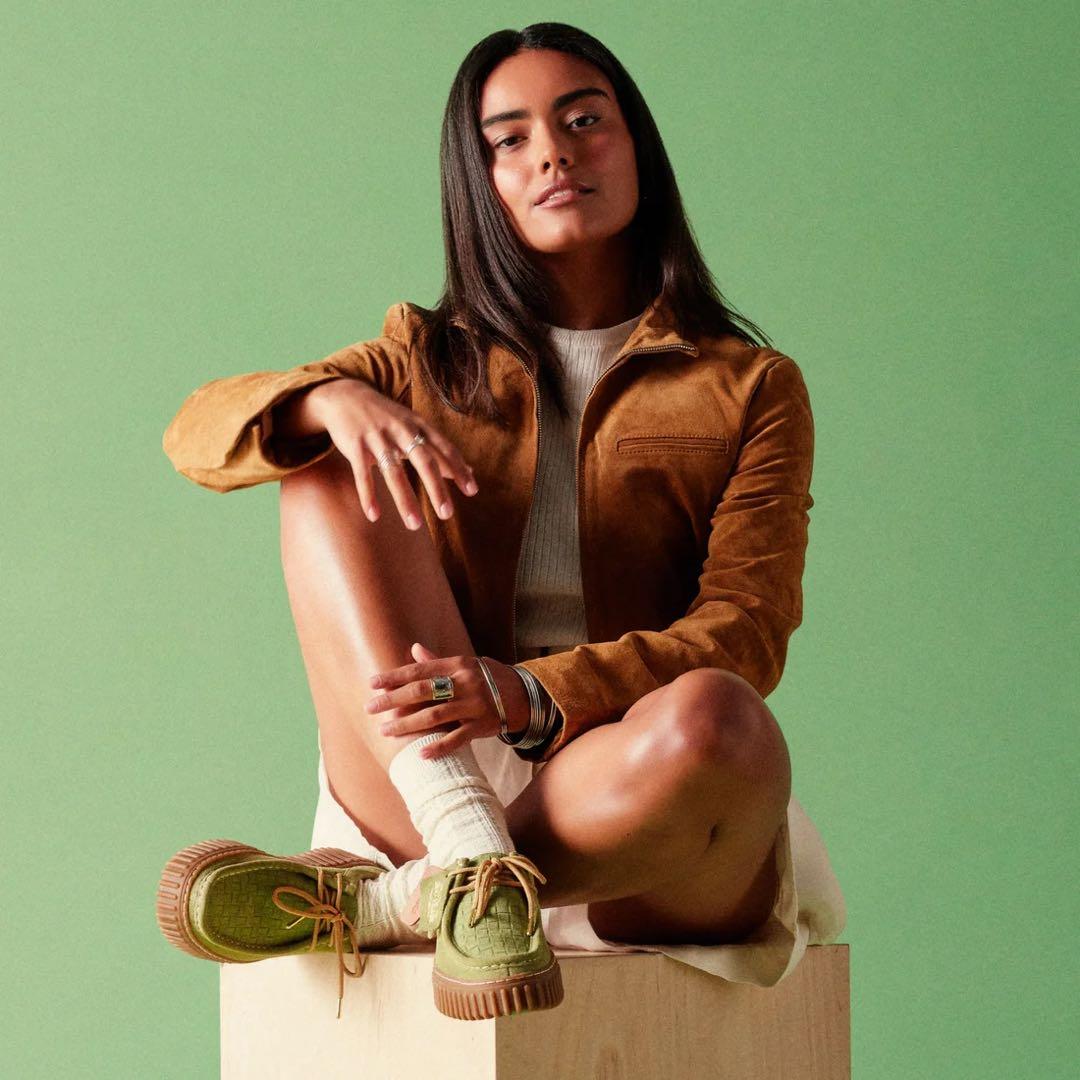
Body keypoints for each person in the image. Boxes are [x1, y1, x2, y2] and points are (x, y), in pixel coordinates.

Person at [154, 22, 846, 1024]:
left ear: (637, 146)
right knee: (321, 459)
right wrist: (326, 400)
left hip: (627, 792)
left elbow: (746, 629)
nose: (553, 154)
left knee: (723, 715)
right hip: (433, 772)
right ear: (479, 182)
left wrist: (526, 694)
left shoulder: (749, 386)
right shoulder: (420, 359)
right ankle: (470, 858)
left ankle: (405, 902)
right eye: (510, 139)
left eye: (584, 121)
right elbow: (194, 434)